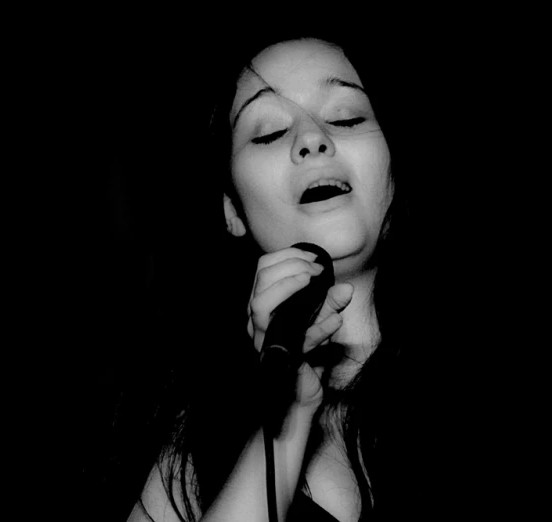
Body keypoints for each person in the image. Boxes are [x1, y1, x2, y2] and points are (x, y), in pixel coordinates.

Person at [102, 31, 445, 522]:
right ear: (232, 211)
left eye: (346, 117)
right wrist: (289, 415)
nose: (311, 140)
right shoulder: (190, 440)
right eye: (267, 132)